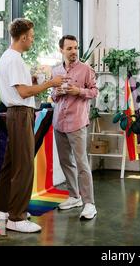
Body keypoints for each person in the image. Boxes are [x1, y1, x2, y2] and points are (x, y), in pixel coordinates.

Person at [0, 18, 65, 233]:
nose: (32, 40)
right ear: (22, 37)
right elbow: (23, 93)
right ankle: (17, 217)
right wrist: (50, 83)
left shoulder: (8, 57)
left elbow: (20, 88)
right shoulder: (14, 59)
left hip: (15, 113)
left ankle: (3, 210)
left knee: (10, 164)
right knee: (24, 166)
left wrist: (33, 80)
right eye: (31, 36)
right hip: (20, 114)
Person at [51, 35, 99, 219]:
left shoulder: (86, 69)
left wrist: (78, 91)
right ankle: (74, 196)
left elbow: (94, 91)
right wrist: (58, 92)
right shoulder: (56, 71)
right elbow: (53, 97)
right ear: (61, 50)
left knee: (82, 164)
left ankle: (89, 204)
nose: (73, 52)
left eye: (75, 48)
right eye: (69, 48)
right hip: (59, 123)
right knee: (65, 161)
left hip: (77, 123)